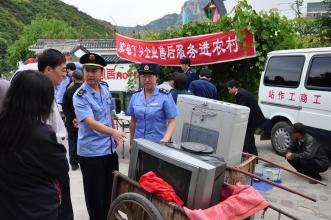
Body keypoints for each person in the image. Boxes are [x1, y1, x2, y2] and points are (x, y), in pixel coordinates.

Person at [0, 70, 69, 220]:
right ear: (43, 101)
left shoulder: (3, 125)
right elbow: (61, 167)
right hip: (37, 209)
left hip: (7, 207)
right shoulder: (41, 133)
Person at [73, 53, 126, 220]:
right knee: (95, 197)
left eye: (94, 70)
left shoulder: (105, 88)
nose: (90, 74)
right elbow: (89, 121)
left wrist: (114, 134)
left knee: (110, 191)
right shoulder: (80, 95)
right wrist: (113, 132)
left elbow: (109, 113)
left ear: (101, 72)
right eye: (87, 70)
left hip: (109, 150)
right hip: (91, 153)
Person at [37, 48, 74, 220]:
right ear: (48, 70)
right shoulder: (38, 93)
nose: (65, 76)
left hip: (56, 158)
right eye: (62, 71)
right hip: (49, 161)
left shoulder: (49, 90)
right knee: (60, 208)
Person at [128, 62, 178, 147]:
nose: (147, 80)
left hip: (157, 144)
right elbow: (133, 121)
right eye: (144, 76)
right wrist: (131, 143)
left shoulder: (165, 96)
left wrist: (165, 139)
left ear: (156, 77)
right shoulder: (135, 96)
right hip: (138, 143)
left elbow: (172, 121)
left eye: (150, 76)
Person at [226, 80, 265, 156]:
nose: (229, 91)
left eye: (229, 89)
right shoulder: (241, 92)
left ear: (234, 88)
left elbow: (241, 110)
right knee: (250, 140)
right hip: (254, 119)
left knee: (245, 139)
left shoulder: (241, 94)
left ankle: (243, 157)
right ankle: (254, 157)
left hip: (252, 120)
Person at [62, 69, 84, 171]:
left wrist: (73, 118)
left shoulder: (68, 91)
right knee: (84, 140)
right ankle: (83, 160)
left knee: (72, 141)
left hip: (71, 122)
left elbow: (64, 108)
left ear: (73, 78)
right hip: (85, 121)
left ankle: (74, 163)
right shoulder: (85, 90)